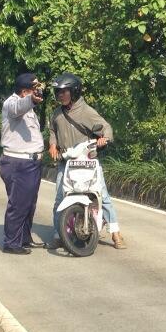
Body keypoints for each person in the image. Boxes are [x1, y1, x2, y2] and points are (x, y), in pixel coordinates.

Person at [45, 73, 127, 250]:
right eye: (57, 92)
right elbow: (52, 130)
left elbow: (106, 128)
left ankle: (115, 232)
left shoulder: (87, 111)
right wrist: (52, 144)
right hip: (65, 162)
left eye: (63, 92)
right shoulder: (57, 114)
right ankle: (58, 234)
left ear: (74, 91)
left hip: (88, 162)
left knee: (102, 196)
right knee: (60, 198)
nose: (59, 95)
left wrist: (104, 139)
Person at [0, 73, 46, 254]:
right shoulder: (11, 103)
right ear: (25, 91)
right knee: (18, 205)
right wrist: (31, 101)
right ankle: (11, 243)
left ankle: (25, 238)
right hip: (18, 163)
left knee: (29, 204)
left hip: (31, 164)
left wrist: (31, 102)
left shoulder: (29, 109)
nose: (37, 92)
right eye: (34, 90)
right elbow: (18, 107)